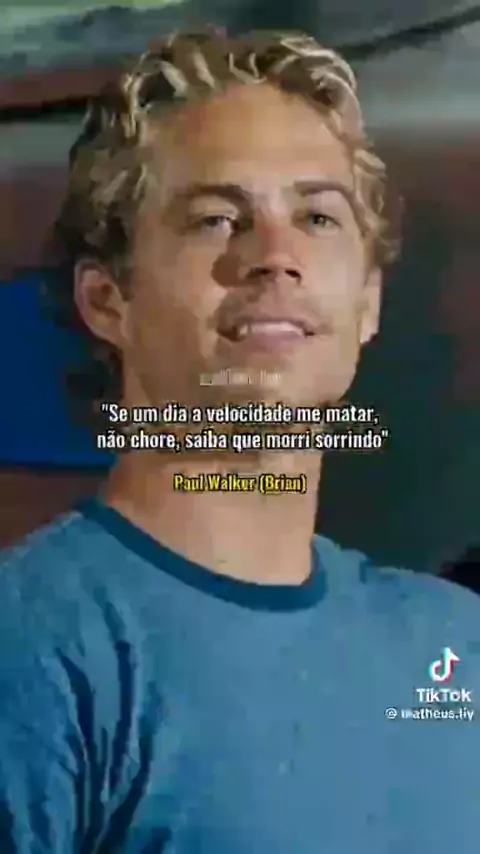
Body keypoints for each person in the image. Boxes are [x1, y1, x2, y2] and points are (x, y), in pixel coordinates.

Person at [0, 29, 478, 854]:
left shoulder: (453, 648)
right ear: (108, 301)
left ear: (368, 303)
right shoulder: (37, 644)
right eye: (217, 218)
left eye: (318, 216)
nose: (276, 257)